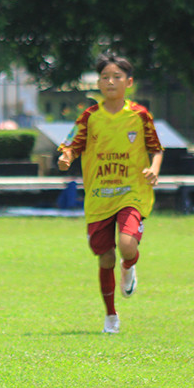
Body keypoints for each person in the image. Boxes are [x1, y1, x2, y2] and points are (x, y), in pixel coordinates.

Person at [57, 52, 164, 335]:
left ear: (129, 82)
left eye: (117, 77)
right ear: (99, 83)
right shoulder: (90, 116)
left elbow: (155, 148)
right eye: (105, 77)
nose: (110, 81)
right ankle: (111, 316)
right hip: (99, 196)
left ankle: (129, 266)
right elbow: (71, 143)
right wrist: (67, 156)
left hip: (132, 192)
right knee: (104, 258)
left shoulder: (139, 115)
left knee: (127, 245)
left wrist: (154, 169)